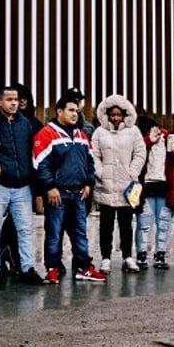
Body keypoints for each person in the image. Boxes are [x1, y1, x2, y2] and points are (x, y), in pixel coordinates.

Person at [33, 94, 106, 284]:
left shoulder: (82, 134)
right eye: (71, 110)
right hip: (58, 194)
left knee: (81, 233)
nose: (75, 114)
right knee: (54, 233)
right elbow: (40, 164)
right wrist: (49, 187)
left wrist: (89, 183)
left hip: (79, 194)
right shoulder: (46, 133)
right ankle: (52, 269)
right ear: (59, 111)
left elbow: (90, 161)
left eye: (77, 111)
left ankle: (84, 267)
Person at [0, 85, 44, 287]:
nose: (14, 103)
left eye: (16, 99)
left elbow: (33, 152)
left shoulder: (26, 124)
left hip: (22, 186)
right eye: (9, 99)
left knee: (25, 229)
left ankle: (28, 268)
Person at [91, 94, 146, 273]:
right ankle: (105, 258)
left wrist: (132, 172)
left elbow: (140, 153)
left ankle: (127, 257)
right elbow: (94, 155)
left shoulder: (134, 131)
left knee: (126, 223)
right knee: (105, 225)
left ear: (125, 114)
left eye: (118, 114)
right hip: (105, 185)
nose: (115, 118)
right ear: (106, 115)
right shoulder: (99, 132)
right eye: (112, 114)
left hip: (127, 185)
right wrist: (101, 173)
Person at [0, 82, 44, 274]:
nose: (21, 102)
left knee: (20, 221)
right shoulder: (3, 122)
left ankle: (13, 255)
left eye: (24, 98)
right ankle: (4, 255)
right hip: (6, 177)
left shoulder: (33, 124)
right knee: (10, 220)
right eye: (17, 98)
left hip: (29, 178)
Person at [134, 115, 174, 270]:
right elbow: (134, 157)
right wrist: (147, 142)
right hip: (146, 188)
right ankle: (141, 255)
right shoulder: (141, 142)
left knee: (163, 223)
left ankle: (160, 254)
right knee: (144, 223)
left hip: (166, 188)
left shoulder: (168, 139)